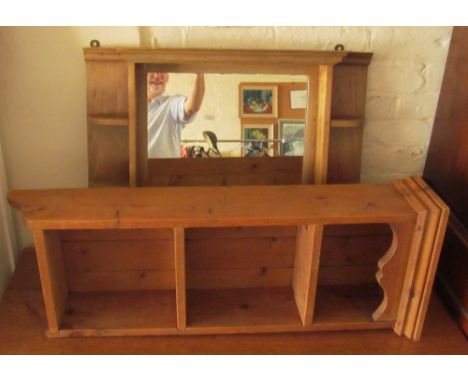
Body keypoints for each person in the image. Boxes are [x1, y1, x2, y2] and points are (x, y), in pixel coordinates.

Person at [147, 72, 205, 158]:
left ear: (167, 78)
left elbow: (191, 108)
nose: (157, 75)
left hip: (166, 171)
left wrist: (199, 73)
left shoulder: (172, 104)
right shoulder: (130, 105)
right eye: (152, 69)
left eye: (162, 71)